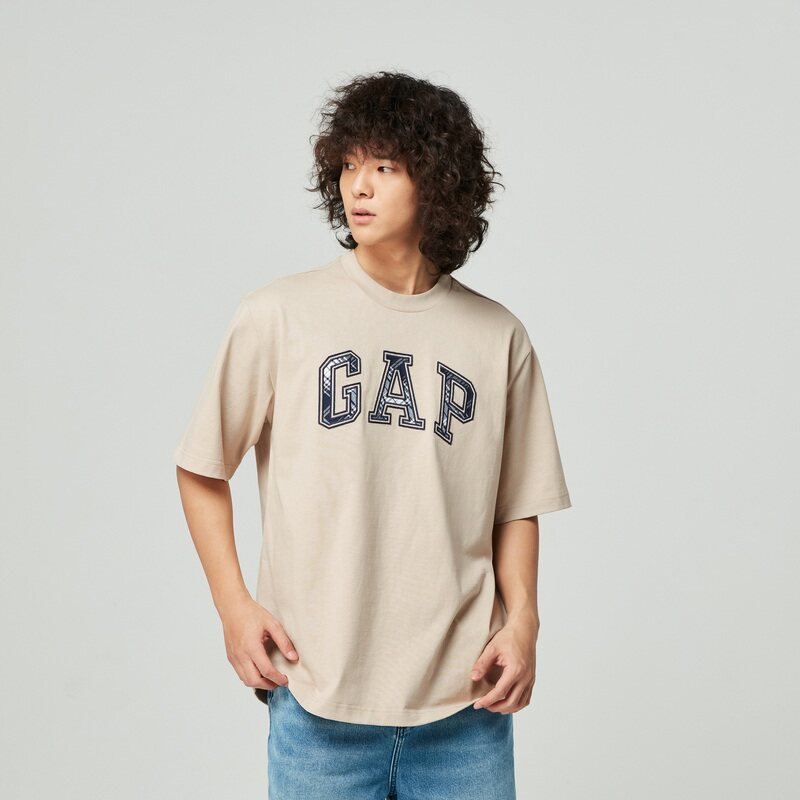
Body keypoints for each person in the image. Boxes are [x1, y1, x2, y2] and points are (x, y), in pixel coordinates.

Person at [173, 70, 572, 800]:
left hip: (465, 707)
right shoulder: (278, 315)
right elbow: (201, 467)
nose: (359, 185)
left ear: (437, 181)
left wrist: (525, 624)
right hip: (317, 701)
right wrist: (234, 607)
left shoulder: (498, 337)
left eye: (385, 167)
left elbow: (518, 506)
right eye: (349, 164)